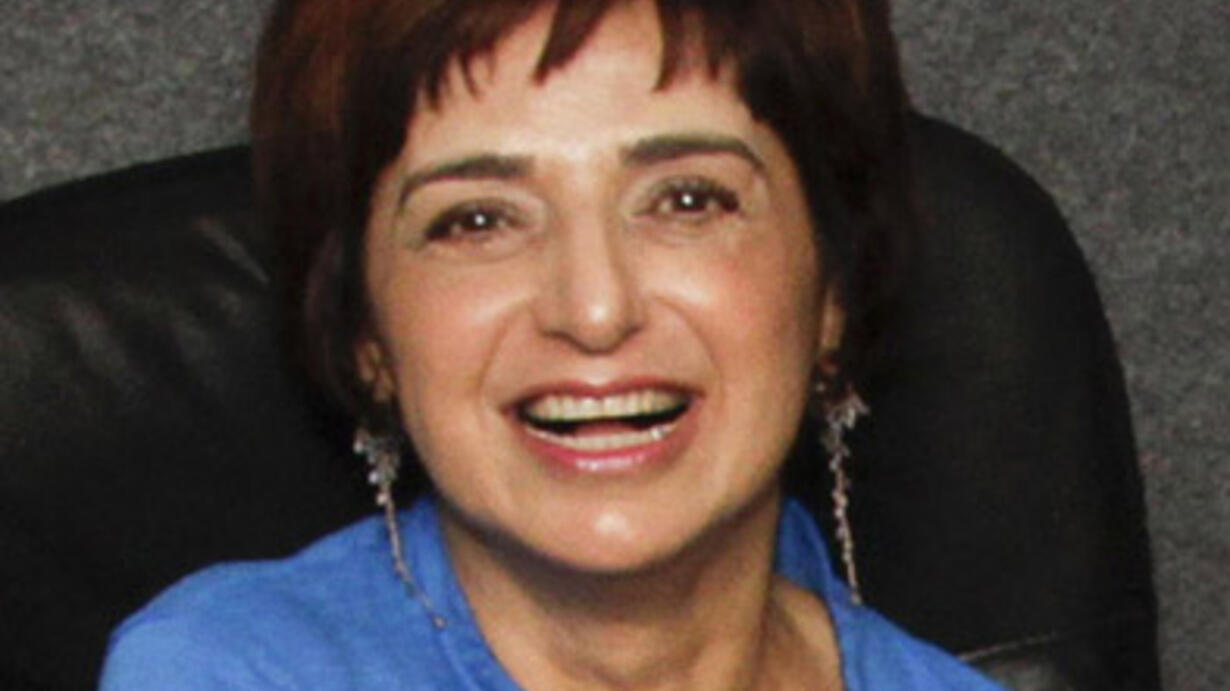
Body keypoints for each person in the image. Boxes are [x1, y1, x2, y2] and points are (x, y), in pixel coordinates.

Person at [100, 0, 1005, 688]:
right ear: (365, 331)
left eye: (687, 200)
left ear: (834, 292)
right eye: (477, 220)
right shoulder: (227, 672)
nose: (595, 308)